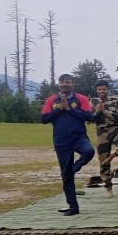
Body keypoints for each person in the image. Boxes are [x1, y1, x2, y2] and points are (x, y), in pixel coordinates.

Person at [40, 73, 95, 216]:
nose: (65, 84)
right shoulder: (52, 100)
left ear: (72, 84)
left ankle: (75, 167)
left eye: (68, 82)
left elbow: (89, 116)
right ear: (59, 84)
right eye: (62, 82)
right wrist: (60, 109)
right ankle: (73, 207)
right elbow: (44, 119)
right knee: (66, 177)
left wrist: (70, 109)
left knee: (89, 151)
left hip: (79, 137)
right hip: (61, 141)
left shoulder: (81, 99)